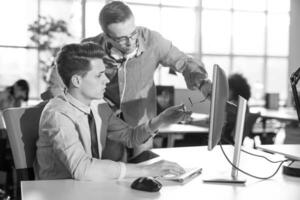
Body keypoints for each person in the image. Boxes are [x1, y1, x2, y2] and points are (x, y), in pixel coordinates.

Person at [42, 1, 211, 161]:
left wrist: (203, 83)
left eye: (133, 33)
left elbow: (183, 61)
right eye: (122, 39)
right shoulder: (92, 47)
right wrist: (67, 113)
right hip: (105, 118)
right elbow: (58, 75)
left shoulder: (153, 41)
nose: (130, 42)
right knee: (111, 163)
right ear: (107, 37)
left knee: (144, 163)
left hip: (141, 116)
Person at [34, 42, 191, 181]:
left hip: (88, 188)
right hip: (58, 192)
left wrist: (162, 119)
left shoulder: (98, 105)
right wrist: (145, 170)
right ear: (76, 81)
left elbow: (130, 137)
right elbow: (82, 169)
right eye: (99, 75)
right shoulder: (58, 114)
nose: (107, 81)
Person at [222, 73, 252, 144]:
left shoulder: (232, 106)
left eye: (227, 89)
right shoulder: (244, 105)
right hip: (234, 144)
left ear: (234, 90)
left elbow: (213, 122)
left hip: (225, 143)